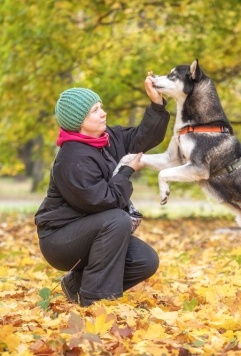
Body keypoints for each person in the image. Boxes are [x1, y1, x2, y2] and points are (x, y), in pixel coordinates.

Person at [35, 74, 170, 307]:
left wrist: (156, 104)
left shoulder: (107, 139)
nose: (103, 113)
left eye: (101, 107)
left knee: (145, 260)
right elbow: (103, 201)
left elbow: (142, 138)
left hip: (92, 231)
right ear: (79, 121)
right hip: (59, 240)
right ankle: (97, 303)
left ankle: (76, 286)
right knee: (117, 220)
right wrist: (126, 171)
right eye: (95, 111)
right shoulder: (72, 158)